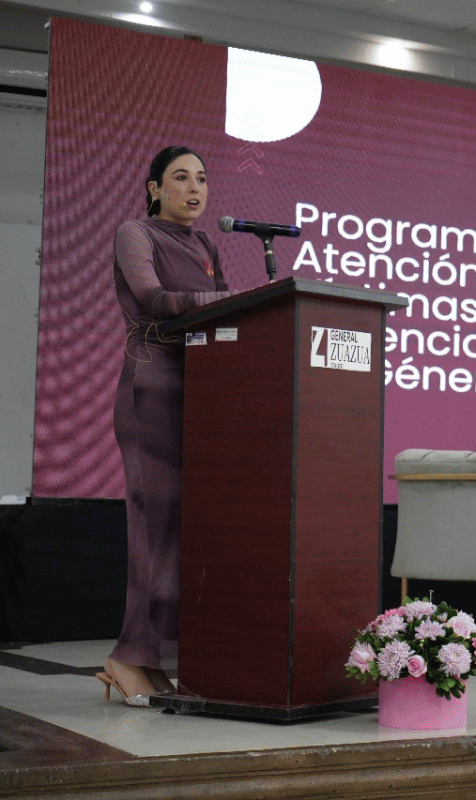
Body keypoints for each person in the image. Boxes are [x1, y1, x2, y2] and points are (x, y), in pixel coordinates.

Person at [97, 146, 234, 706]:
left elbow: (223, 309)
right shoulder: (136, 233)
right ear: (155, 188)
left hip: (196, 393)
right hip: (149, 389)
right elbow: (154, 299)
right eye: (180, 178)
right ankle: (127, 657)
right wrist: (225, 299)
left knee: (177, 533)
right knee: (150, 528)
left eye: (201, 178)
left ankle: (150, 661)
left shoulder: (204, 243)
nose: (193, 188)